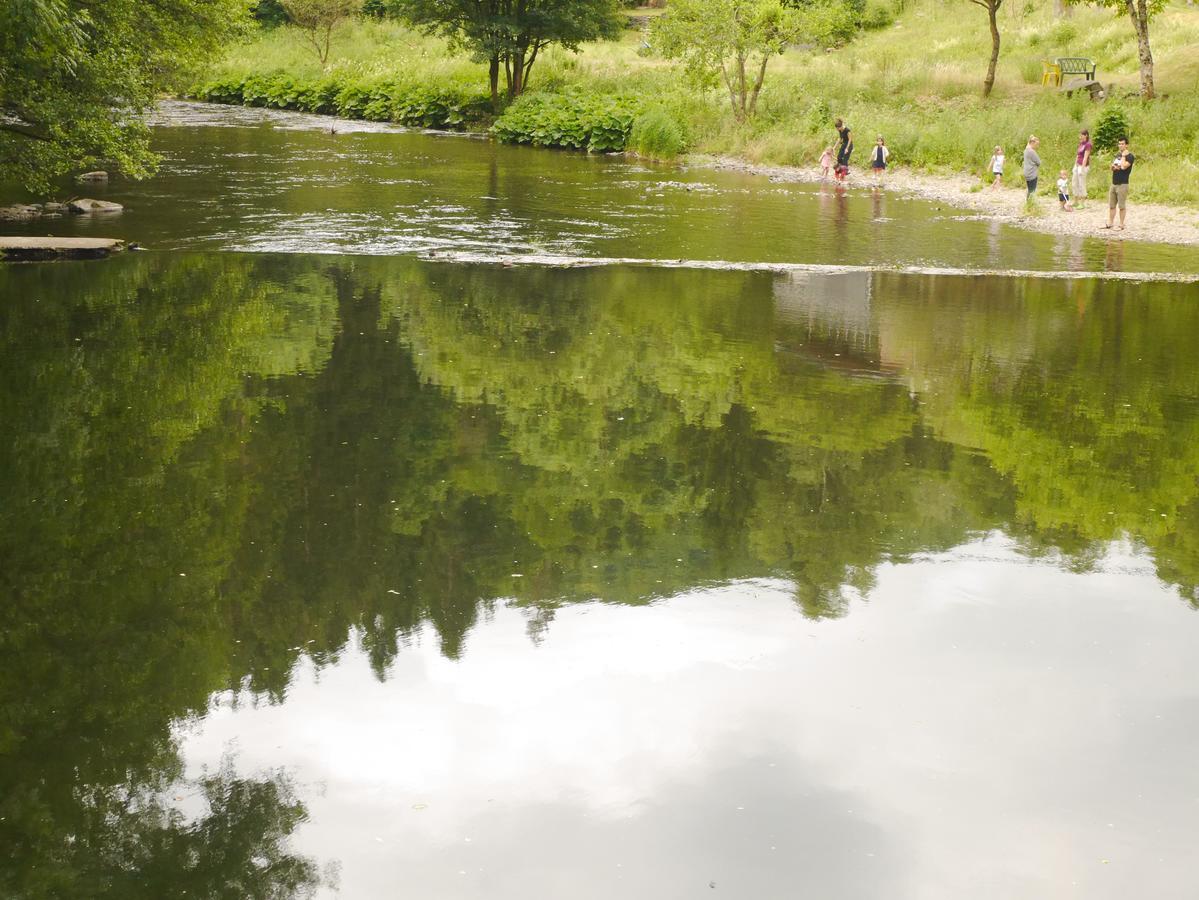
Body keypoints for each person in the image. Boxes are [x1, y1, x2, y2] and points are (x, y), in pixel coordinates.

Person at [1105, 137, 1135, 230]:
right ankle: (1110, 222)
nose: (1120, 145)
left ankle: (1121, 224)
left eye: (1122, 144)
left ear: (1126, 145)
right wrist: (1114, 167)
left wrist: (1123, 156)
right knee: (1112, 205)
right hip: (1114, 183)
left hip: (1123, 183)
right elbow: (1113, 166)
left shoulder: (1130, 156)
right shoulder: (1117, 155)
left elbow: (1124, 166)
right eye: (1119, 144)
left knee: (1121, 206)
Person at [1072, 128, 1093, 205]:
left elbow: (1085, 157)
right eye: (1079, 135)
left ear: (1086, 135)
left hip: (1083, 166)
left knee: (1081, 183)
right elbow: (1078, 155)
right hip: (1077, 165)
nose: (1080, 137)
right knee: (1075, 183)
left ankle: (1082, 202)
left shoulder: (1088, 144)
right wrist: (1075, 165)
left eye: (1081, 135)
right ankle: (1075, 201)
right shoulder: (1081, 144)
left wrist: (1082, 168)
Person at [1023, 135, 1041, 200]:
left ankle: (1028, 203)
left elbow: (1028, 144)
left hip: (1027, 172)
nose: (1037, 146)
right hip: (1032, 173)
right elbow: (1039, 162)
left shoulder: (1026, 150)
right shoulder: (1032, 151)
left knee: (1029, 189)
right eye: (1037, 144)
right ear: (1032, 143)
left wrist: (1031, 137)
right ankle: (1031, 204)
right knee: (1032, 190)